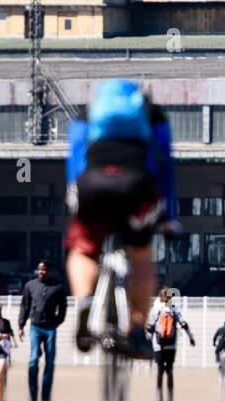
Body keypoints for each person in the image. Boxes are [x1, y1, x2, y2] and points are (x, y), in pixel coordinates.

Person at [65, 78, 178, 359]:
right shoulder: (152, 114)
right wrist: (169, 217)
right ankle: (138, 332)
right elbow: (165, 163)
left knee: (83, 250)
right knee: (141, 255)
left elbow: (75, 156)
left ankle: (84, 304)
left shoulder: (87, 114)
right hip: (136, 187)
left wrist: (73, 194)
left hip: (92, 185)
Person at [17, 259, 68, 401]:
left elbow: (63, 307)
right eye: (40, 269)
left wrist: (57, 321)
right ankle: (33, 395)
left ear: (49, 271)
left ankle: (45, 396)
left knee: (50, 362)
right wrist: (21, 325)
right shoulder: (30, 285)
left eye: (44, 269)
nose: (42, 271)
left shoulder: (58, 287)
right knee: (33, 361)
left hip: (50, 329)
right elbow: (25, 306)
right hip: (35, 328)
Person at [148, 289, 194, 401]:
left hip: (158, 344)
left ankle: (158, 395)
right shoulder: (174, 308)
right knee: (169, 369)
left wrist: (147, 341)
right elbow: (184, 324)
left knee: (159, 370)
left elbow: (150, 327)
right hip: (171, 344)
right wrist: (191, 338)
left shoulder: (156, 308)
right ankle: (170, 396)